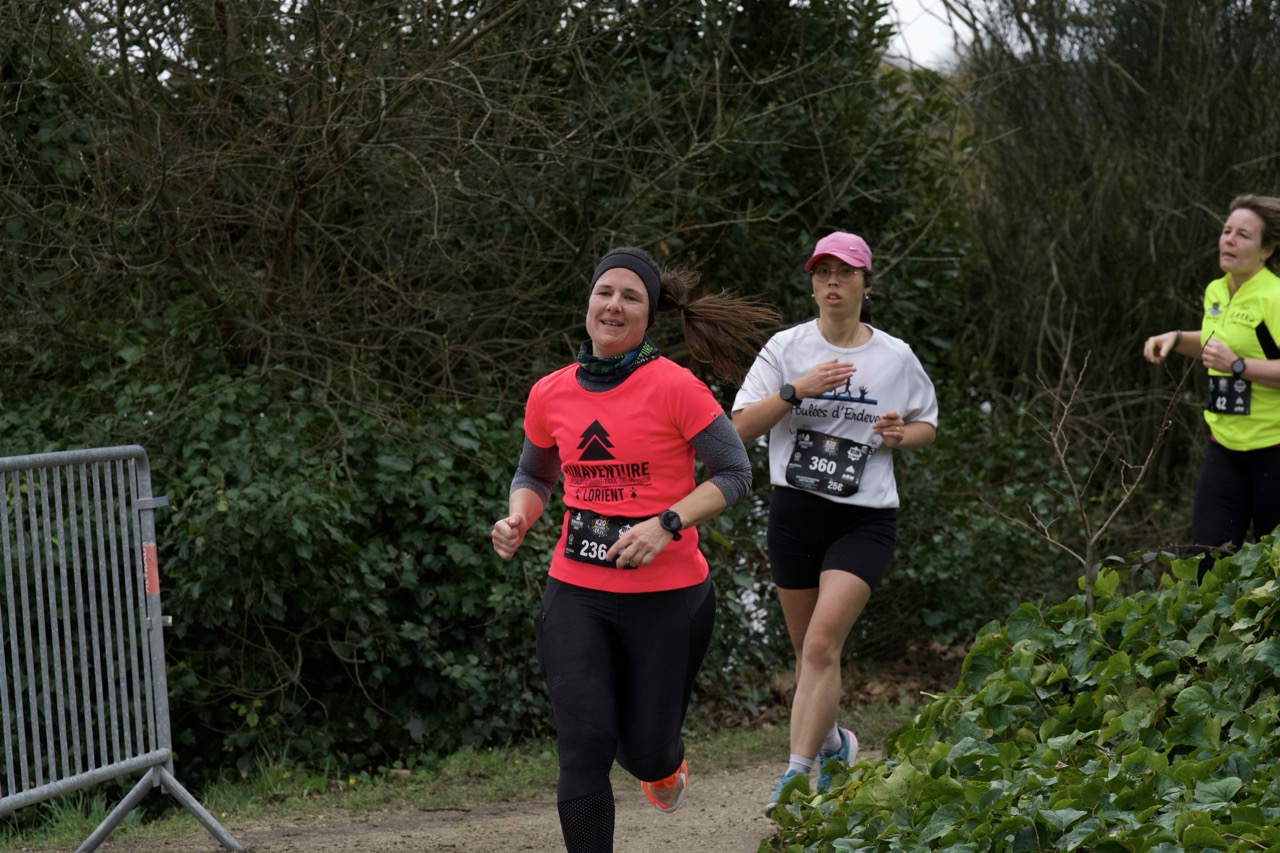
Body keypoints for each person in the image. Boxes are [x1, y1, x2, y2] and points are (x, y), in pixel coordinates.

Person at [490, 246, 777, 853]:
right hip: (577, 592)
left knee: (646, 754)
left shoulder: (677, 387)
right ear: (588, 301)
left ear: (649, 314)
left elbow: (735, 473)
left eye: (630, 297)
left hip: (668, 598)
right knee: (584, 746)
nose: (614, 305)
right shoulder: (550, 393)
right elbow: (535, 474)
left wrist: (666, 523)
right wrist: (519, 516)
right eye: (605, 292)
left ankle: (662, 763)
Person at [730, 231, 938, 812]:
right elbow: (738, 428)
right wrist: (796, 391)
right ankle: (837, 744)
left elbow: (926, 425)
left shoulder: (895, 356)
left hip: (863, 519)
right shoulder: (785, 348)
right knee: (810, 657)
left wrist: (900, 435)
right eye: (823, 273)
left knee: (822, 644)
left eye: (845, 273)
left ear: (866, 283)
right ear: (812, 283)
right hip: (795, 516)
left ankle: (795, 778)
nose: (833, 282)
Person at [1142, 194, 1280, 581]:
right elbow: (1215, 342)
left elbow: (1231, 356)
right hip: (1224, 447)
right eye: (1226, 231)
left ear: (1266, 250)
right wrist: (1176, 338)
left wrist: (1237, 366)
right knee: (1207, 565)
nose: (1229, 240)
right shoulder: (1216, 291)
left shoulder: (1274, 297)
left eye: (1243, 235)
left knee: (1274, 573)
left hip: (1274, 450)